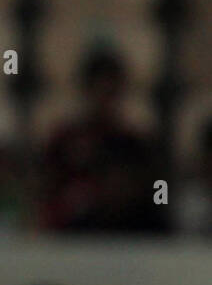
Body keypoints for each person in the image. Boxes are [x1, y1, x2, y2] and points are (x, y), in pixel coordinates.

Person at [39, 46, 167, 233]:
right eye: (101, 90)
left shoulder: (133, 142)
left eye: (112, 91)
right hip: (73, 234)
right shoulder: (64, 139)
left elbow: (153, 195)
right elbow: (47, 189)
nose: (106, 99)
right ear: (87, 89)